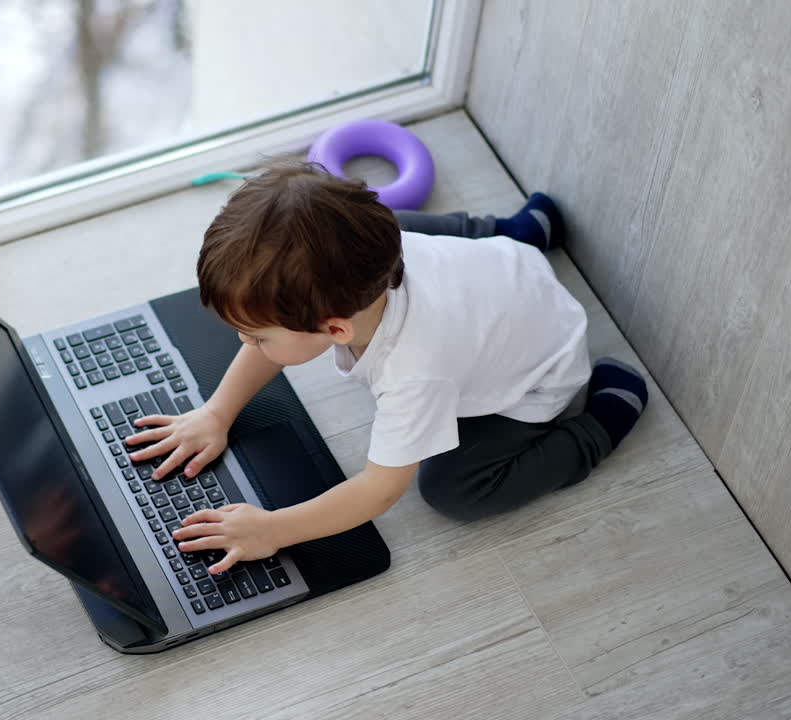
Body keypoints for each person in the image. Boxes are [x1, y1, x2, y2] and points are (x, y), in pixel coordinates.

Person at [124, 162, 648, 577]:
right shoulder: (371, 253)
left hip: (541, 372)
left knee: (453, 491)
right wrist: (217, 412)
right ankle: (516, 231)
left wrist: (274, 529)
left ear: (335, 330)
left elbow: (379, 490)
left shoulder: (412, 376)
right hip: (506, 266)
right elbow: (271, 339)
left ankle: (599, 425)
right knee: (370, 229)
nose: (245, 341)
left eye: (257, 335)